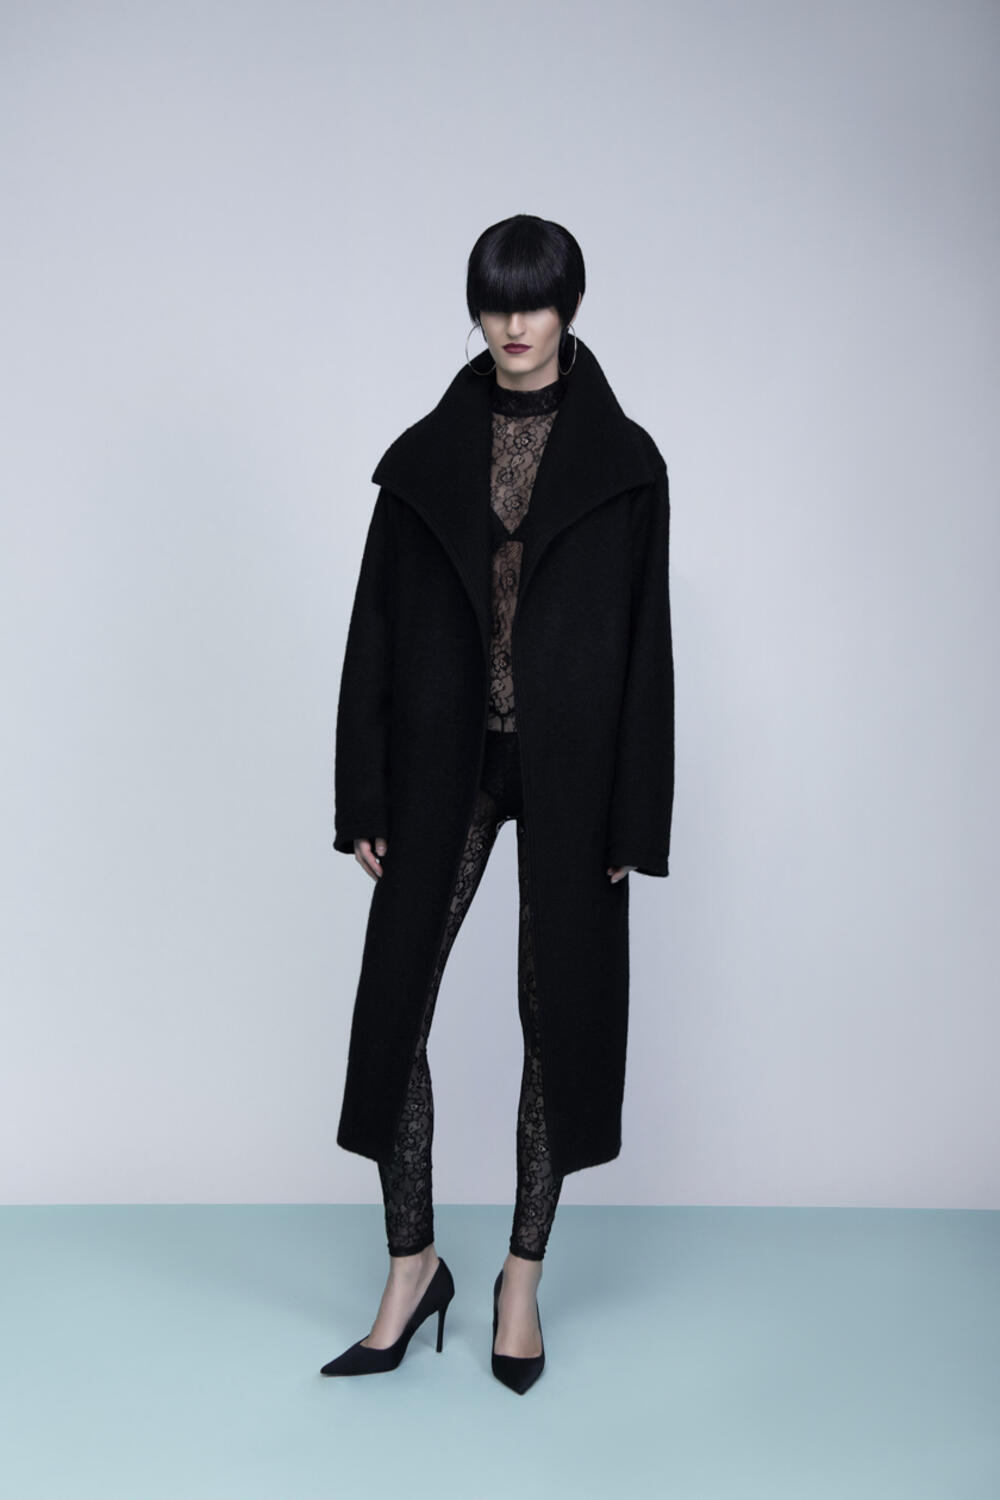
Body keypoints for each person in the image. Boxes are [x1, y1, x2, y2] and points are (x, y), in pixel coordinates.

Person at [320, 214, 674, 1393]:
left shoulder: (627, 465)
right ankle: (411, 1263)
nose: (514, 325)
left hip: (575, 771)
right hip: (443, 760)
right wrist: (362, 789)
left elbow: (647, 651)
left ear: (568, 306)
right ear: (475, 308)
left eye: (535, 301)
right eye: (494, 302)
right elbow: (374, 627)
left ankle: (521, 1279)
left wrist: (634, 818)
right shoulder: (425, 457)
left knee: (554, 1016)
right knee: (395, 1008)